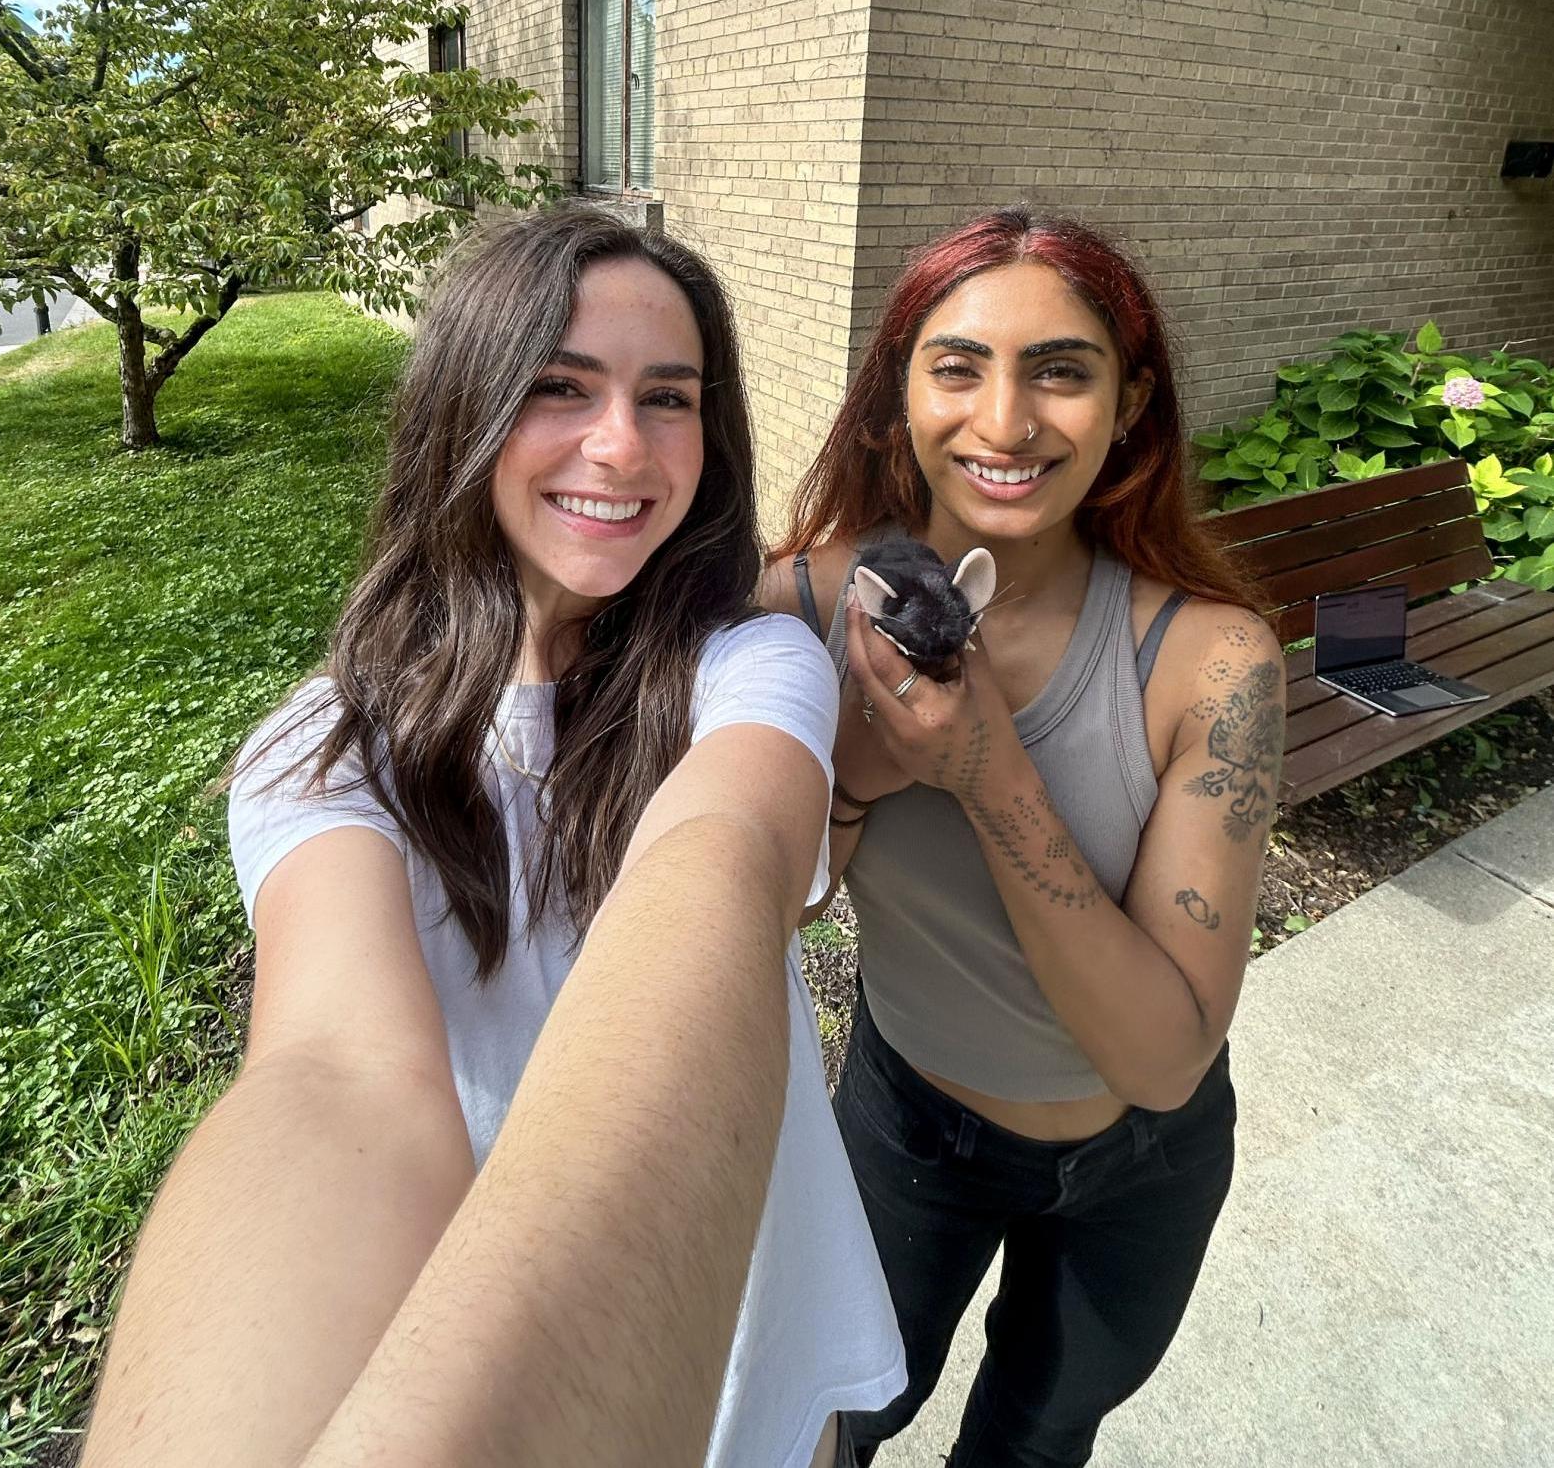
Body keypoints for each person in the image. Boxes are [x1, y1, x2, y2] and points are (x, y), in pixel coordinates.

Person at [81, 205, 904, 1468]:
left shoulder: (749, 665)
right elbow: (336, 1074)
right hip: (456, 1333)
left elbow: (724, 859)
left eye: (668, 397)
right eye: (557, 387)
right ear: (461, 407)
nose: (622, 446)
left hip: (747, 1312)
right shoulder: (328, 750)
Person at [765, 205, 1285, 1468]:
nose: (1003, 424)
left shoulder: (1210, 664)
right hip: (908, 1127)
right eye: (957, 366)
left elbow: (1164, 1058)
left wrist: (987, 772)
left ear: (1130, 401)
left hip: (1142, 1165)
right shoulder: (800, 606)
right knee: (834, 1416)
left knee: (1037, 1436)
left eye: (1060, 370)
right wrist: (858, 781)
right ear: (898, 395)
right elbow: (766, 901)